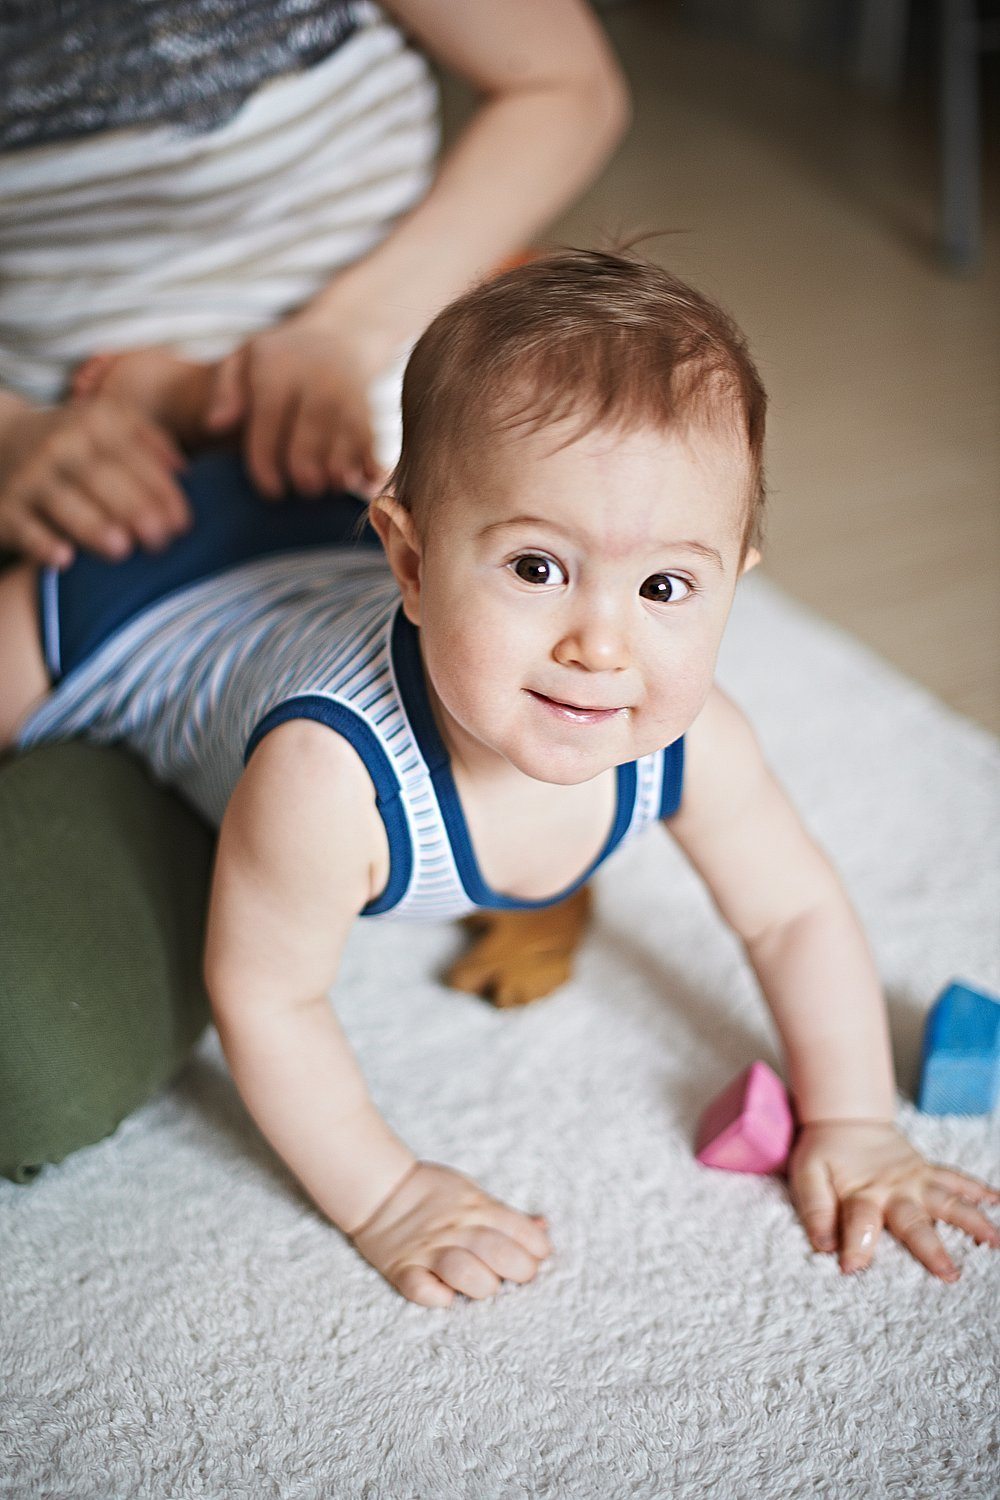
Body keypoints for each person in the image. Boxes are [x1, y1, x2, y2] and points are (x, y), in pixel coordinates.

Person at [1, 250, 997, 1308]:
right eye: (535, 568)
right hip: (137, 595)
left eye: (665, 586)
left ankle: (194, 408)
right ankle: (176, 414)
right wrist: (387, 1198)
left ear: (731, 586)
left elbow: (791, 912)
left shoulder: (694, 738)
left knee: (324, 475)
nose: (600, 645)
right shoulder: (328, 774)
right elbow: (266, 993)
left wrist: (853, 1123)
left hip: (308, 544)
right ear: (415, 564)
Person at [0, 0, 629, 566]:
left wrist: (349, 330)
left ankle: (178, 404)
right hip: (57, 451)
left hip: (387, 330)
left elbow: (567, 87)